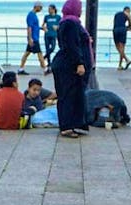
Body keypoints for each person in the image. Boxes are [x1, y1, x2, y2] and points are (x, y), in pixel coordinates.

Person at [50, 0, 91, 138]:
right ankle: (67, 126)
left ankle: (72, 124)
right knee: (68, 95)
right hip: (68, 66)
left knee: (68, 95)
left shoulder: (65, 22)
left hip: (64, 64)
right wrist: (79, 63)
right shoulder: (71, 23)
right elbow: (72, 45)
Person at [18, 2, 47, 75]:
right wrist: (30, 38)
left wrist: (41, 28)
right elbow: (29, 27)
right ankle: (45, 69)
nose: (41, 9)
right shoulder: (31, 15)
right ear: (36, 7)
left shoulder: (34, 15)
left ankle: (21, 68)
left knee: (27, 53)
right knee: (39, 53)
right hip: (34, 38)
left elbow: (35, 26)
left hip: (34, 37)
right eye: (40, 7)